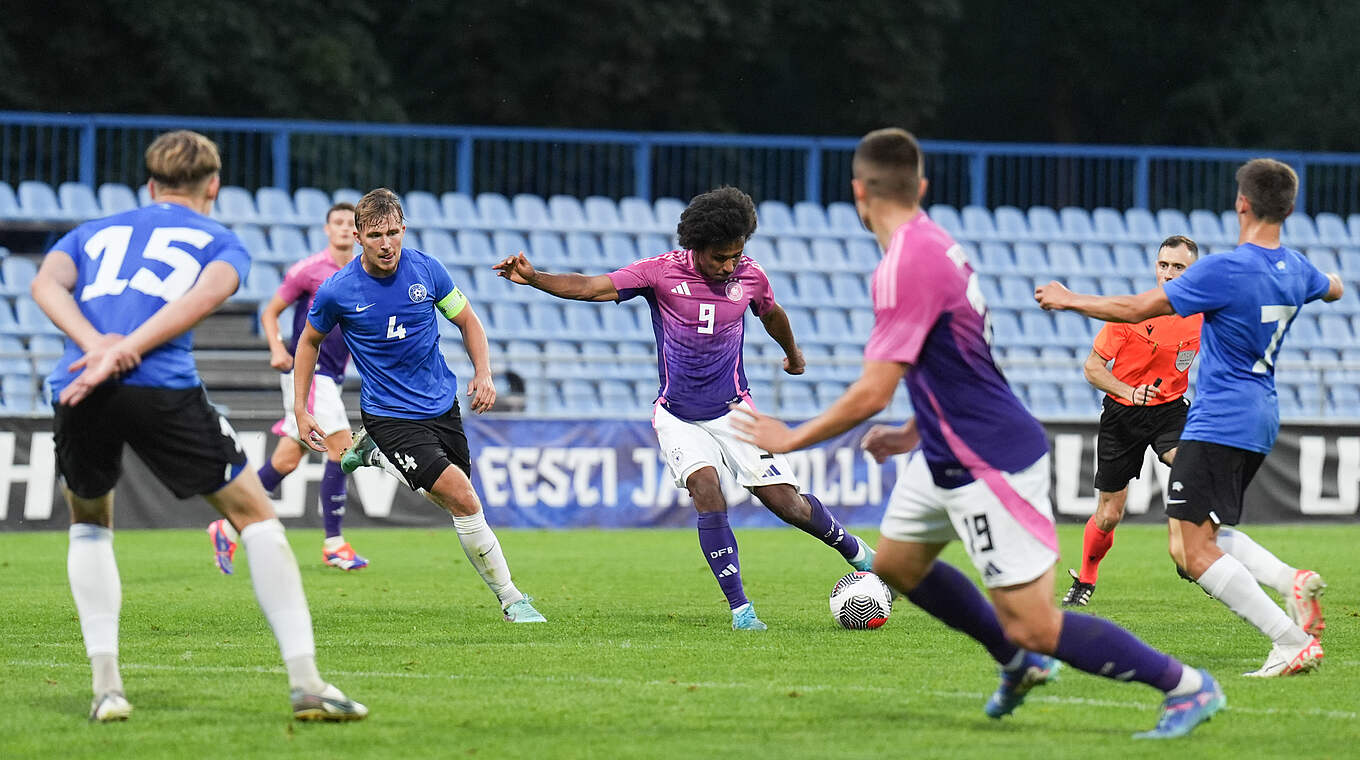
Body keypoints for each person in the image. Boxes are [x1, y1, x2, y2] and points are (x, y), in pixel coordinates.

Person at [734, 128, 1223, 739]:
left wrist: (791, 437)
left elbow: (873, 391)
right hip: (945, 444)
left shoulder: (902, 266)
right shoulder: (940, 246)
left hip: (987, 456)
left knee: (1036, 622)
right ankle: (1017, 664)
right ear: (922, 187)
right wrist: (915, 429)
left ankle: (1184, 685)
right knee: (897, 564)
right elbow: (960, 362)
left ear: (859, 193)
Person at [30, 130, 365, 722]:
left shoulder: (91, 232)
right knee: (255, 514)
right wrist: (126, 351)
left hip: (78, 383)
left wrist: (95, 347)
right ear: (213, 185)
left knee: (89, 522)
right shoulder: (220, 239)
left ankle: (108, 689)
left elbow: (44, 284)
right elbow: (204, 298)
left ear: (150, 184)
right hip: (161, 387)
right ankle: (307, 683)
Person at [493, 186, 875, 631]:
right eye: (721, 257)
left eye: (736, 255)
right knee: (706, 490)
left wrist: (793, 355)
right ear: (696, 246)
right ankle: (742, 610)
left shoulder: (750, 276)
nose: (730, 265)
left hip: (736, 411)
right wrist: (536, 277)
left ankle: (857, 552)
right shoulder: (659, 273)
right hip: (678, 415)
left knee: (785, 504)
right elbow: (591, 288)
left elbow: (771, 313)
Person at [1037, 157, 1339, 677]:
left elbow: (1135, 309)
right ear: (1289, 208)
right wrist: (1322, 279)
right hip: (1260, 418)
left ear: (1241, 203)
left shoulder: (1223, 270)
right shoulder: (1296, 269)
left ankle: (1289, 636)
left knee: (1193, 551)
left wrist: (1068, 299)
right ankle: (1289, 584)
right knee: (1192, 538)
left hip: (1215, 419)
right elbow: (1332, 287)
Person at [295, 187, 546, 623]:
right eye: (375, 235)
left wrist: (483, 372)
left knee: (450, 498)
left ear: (404, 229)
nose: (386, 243)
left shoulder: (427, 271)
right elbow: (308, 341)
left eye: (393, 232)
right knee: (464, 499)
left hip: (441, 405)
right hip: (389, 414)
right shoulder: (338, 291)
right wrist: (301, 407)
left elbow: (467, 320)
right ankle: (512, 599)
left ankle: (373, 454)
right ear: (358, 237)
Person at [207, 202, 368, 574]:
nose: (344, 229)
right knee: (342, 449)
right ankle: (334, 544)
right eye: (338, 223)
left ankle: (227, 528)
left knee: (285, 461)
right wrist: (277, 347)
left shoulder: (363, 273)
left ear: (358, 233)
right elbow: (270, 311)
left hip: (331, 376)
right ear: (327, 230)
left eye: (350, 223)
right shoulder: (309, 270)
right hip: (309, 376)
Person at [1062, 235, 1202, 606]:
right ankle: (1086, 578)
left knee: (1191, 461)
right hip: (1123, 413)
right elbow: (1092, 368)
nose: (1169, 274)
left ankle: (1186, 548)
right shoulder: (1132, 312)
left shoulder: (1203, 315)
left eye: (1178, 267)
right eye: (1163, 265)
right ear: (1155, 267)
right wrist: (1128, 391)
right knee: (1109, 514)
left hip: (1171, 409)